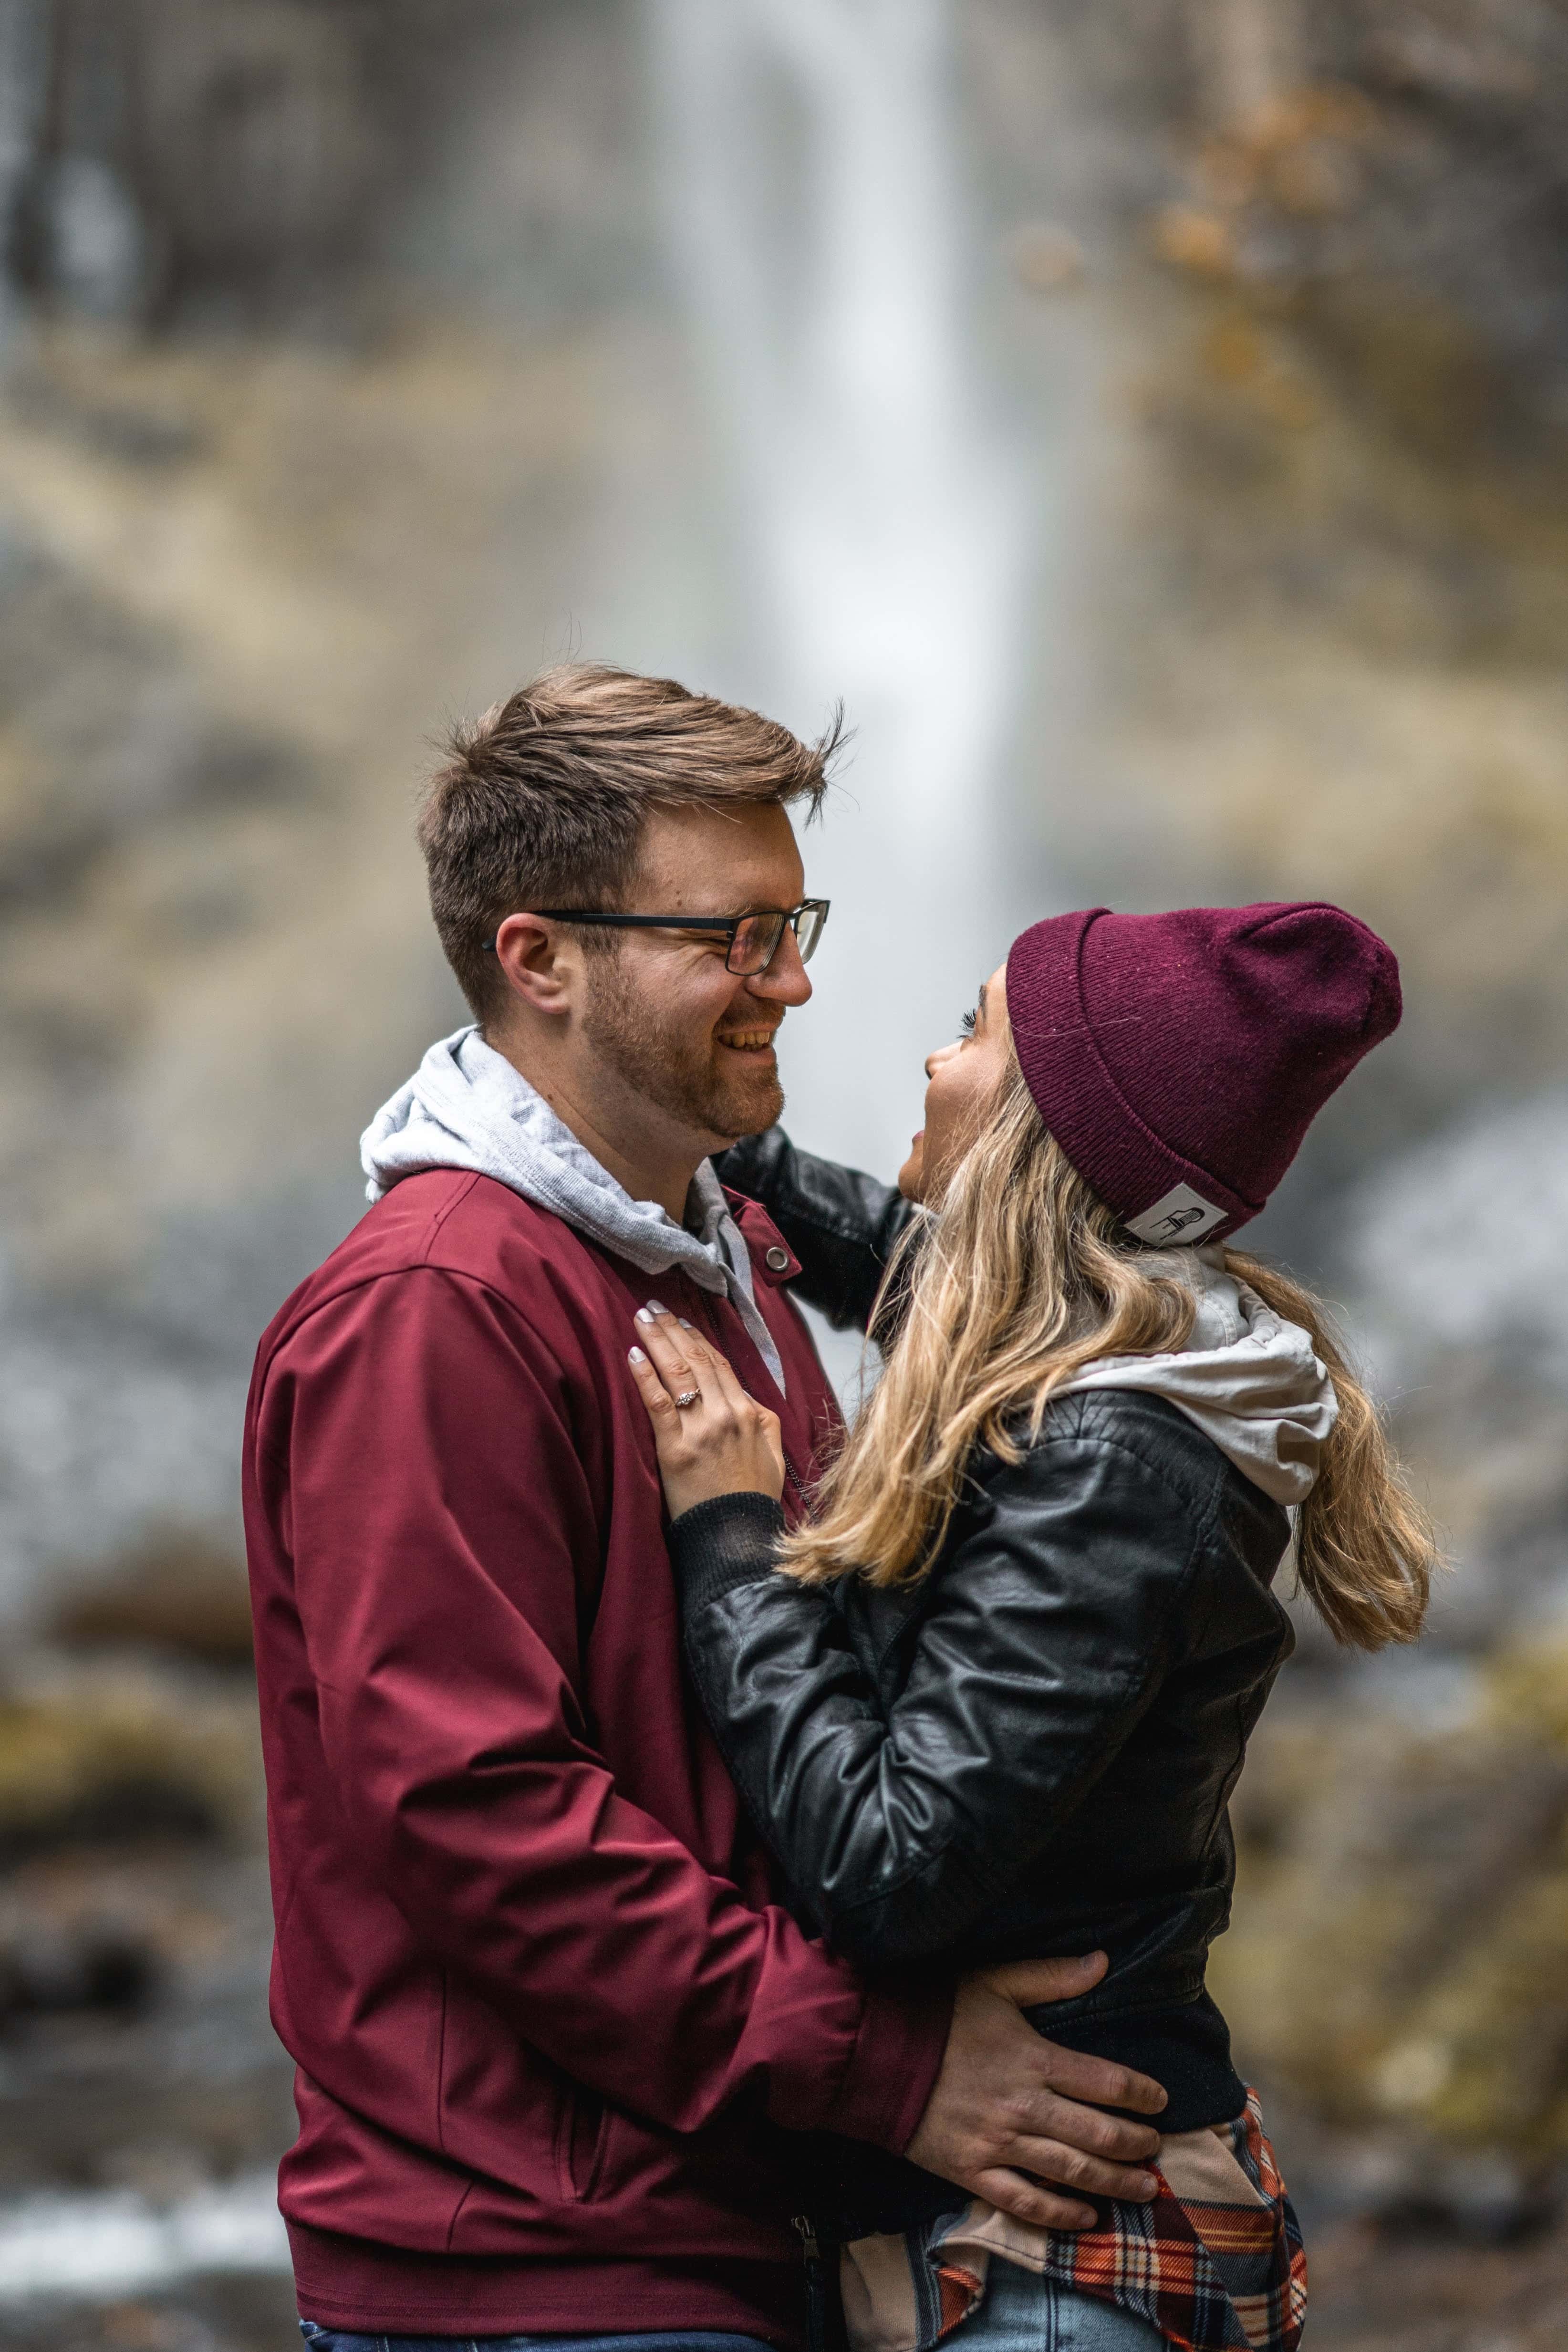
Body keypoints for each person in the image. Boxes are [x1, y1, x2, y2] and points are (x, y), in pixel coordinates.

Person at [241, 667, 1171, 2352]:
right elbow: (481, 1816)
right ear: (539, 958)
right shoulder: (440, 1305)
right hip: (535, 2273)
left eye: (792, 921)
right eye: (736, 938)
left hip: (716, 2220)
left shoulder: (705, 1251)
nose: (797, 982)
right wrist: (886, 2066)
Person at [625, 902, 1440, 2352]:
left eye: (972, 1028)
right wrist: (657, 1095)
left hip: (1061, 2260)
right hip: (1024, 2223)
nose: (933, 1061)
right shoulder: (1111, 1350)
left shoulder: (1121, 1464)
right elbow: (897, 1255)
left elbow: (887, 1863)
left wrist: (735, 1537)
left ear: (1040, 1130)